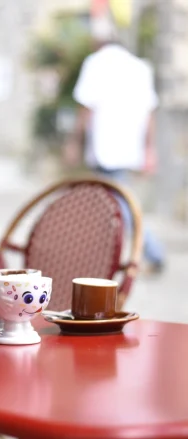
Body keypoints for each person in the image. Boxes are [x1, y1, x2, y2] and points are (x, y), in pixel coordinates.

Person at [66, 23, 165, 273]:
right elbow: (149, 113)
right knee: (116, 201)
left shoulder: (95, 63)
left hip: (105, 147)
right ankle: (109, 255)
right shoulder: (140, 66)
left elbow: (85, 108)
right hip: (129, 146)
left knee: (120, 203)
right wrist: (149, 149)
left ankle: (152, 251)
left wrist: (74, 142)